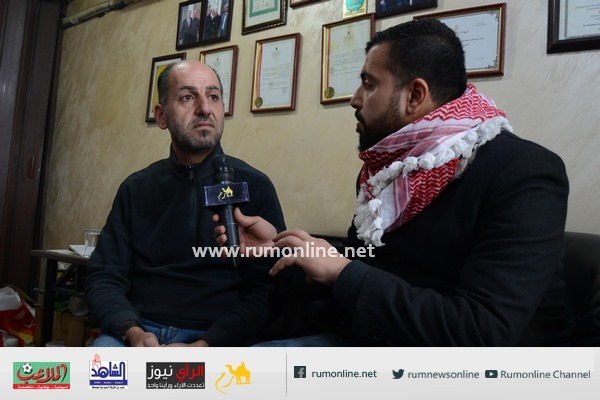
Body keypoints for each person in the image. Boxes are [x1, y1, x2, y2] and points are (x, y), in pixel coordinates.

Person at [215, 19, 573, 346]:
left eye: (369, 84)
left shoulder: (525, 172)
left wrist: (341, 271)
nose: (355, 99)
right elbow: (367, 266)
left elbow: (481, 331)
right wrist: (281, 249)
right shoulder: (386, 171)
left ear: (415, 96)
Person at [85, 60, 286, 347]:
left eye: (213, 96)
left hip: (219, 338)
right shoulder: (136, 189)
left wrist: (205, 345)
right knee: (100, 366)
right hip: (141, 330)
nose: (205, 108)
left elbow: (269, 290)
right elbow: (104, 277)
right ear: (161, 115)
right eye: (188, 97)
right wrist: (132, 331)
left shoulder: (254, 185)